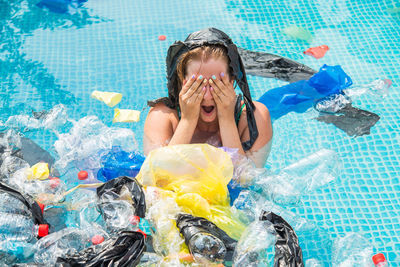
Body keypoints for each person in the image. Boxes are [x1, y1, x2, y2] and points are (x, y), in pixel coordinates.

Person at [144, 28, 272, 167]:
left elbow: (244, 181)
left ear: (232, 82)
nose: (207, 96)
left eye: (216, 84)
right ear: (182, 83)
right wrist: (188, 120)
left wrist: (227, 119)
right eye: (198, 85)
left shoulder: (254, 117)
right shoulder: (163, 116)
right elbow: (157, 177)